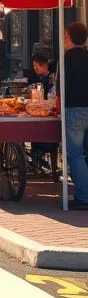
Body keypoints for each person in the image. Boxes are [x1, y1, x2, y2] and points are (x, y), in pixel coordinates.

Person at [62, 21, 88, 208]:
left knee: (75, 155)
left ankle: (83, 196)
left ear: (69, 37)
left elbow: (60, 90)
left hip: (74, 108)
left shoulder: (67, 58)